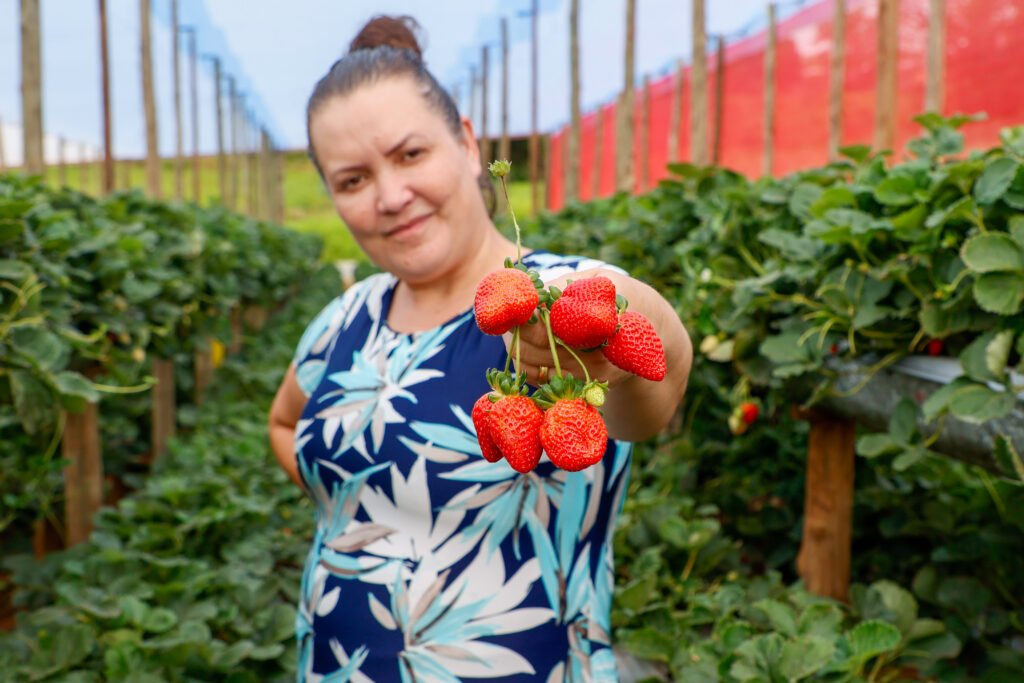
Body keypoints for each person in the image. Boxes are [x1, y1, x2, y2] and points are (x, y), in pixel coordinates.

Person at [268, 14, 692, 682]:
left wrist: (614, 315)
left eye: (411, 155)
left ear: (467, 145)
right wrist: (364, 508)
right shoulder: (344, 317)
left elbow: (652, 392)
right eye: (352, 180)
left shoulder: (548, 306)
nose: (390, 196)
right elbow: (284, 420)